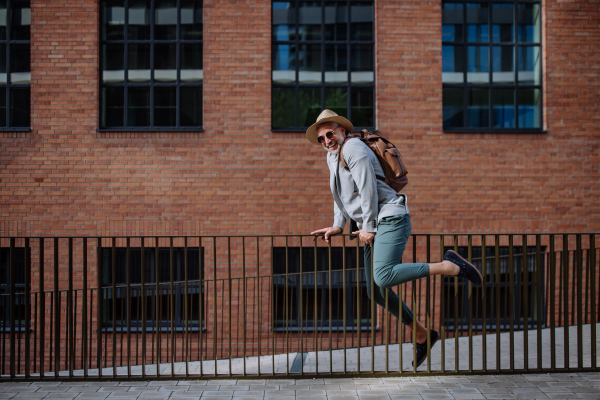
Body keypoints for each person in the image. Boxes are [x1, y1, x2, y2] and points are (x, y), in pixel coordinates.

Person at [307, 109, 483, 368]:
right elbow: (341, 195)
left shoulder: (353, 147)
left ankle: (449, 266)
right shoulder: (332, 157)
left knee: (383, 276)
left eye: (330, 134)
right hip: (373, 225)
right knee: (376, 293)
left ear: (342, 131)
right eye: (321, 138)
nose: (326, 141)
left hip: (389, 218)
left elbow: (366, 187)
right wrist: (337, 225)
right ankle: (423, 334)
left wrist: (367, 226)